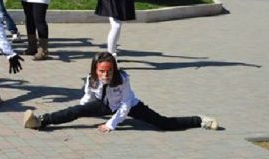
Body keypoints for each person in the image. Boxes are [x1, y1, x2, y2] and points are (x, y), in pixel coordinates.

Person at [23, 52, 220, 132]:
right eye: (101, 71)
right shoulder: (91, 77)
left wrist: (111, 124)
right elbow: (88, 95)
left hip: (128, 106)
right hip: (103, 104)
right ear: (95, 70)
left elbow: (125, 105)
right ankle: (40, 121)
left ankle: (200, 120)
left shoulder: (123, 79)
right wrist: (84, 109)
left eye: (109, 71)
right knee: (75, 110)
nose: (105, 75)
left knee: (163, 124)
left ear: (114, 69)